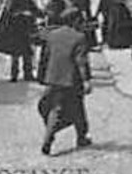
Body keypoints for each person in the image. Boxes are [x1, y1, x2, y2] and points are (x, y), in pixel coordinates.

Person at [37, 10, 93, 155]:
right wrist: (86, 80)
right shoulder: (79, 37)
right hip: (71, 80)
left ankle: (54, 139)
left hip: (53, 78)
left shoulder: (53, 35)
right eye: (80, 21)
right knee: (70, 108)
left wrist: (42, 76)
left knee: (65, 108)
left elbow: (45, 57)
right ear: (74, 21)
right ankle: (75, 138)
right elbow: (81, 62)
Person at [0, 0, 40, 82]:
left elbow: (34, 9)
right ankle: (14, 75)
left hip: (26, 28)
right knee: (15, 53)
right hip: (15, 28)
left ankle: (28, 74)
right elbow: (9, 11)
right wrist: (22, 13)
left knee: (28, 52)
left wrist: (39, 14)